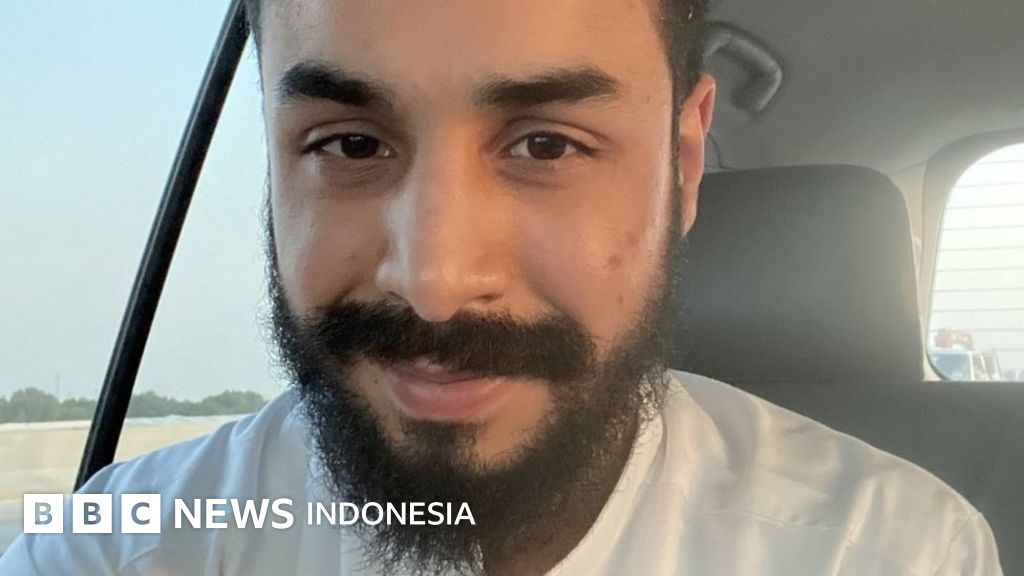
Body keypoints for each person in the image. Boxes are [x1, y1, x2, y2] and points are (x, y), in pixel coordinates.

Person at [0, 1, 1003, 574]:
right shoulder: (119, 546)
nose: (436, 285)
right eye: (349, 144)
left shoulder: (888, 550)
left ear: (683, 164)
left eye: (547, 145)